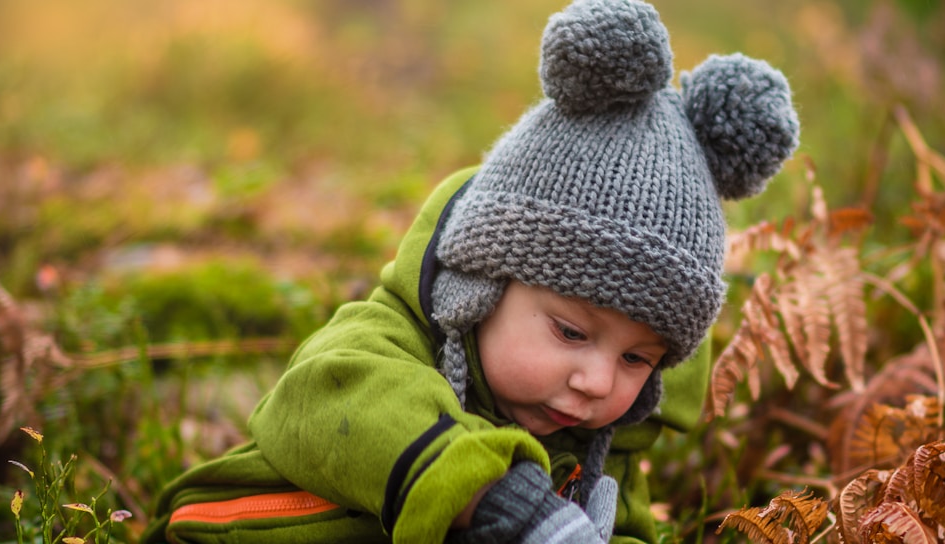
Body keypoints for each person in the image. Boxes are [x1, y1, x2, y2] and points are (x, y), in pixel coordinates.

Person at [141, 0, 799, 541]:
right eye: (571, 332)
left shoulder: (602, 444)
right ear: (478, 286)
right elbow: (317, 402)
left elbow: (618, 526)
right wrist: (495, 499)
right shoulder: (383, 348)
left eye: (638, 360)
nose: (597, 381)